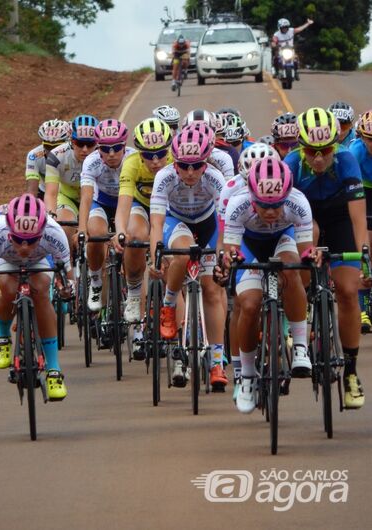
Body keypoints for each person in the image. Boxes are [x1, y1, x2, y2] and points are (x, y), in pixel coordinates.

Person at [285, 107, 367, 409]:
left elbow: (358, 218)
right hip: (305, 220)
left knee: (347, 291)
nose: (318, 158)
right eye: (310, 151)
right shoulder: (291, 164)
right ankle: (303, 309)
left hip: (339, 219)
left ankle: (350, 372)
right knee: (311, 238)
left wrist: (365, 256)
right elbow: (283, 217)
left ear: (336, 144)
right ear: (300, 147)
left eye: (325, 150)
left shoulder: (346, 159)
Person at [222, 158, 313, 413]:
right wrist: (229, 261)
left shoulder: (298, 202)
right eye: (263, 205)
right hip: (249, 246)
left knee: (293, 271)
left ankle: (300, 348)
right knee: (249, 305)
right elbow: (230, 252)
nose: (271, 212)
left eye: (277, 204)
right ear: (251, 196)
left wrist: (312, 257)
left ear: (287, 195)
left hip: (282, 239)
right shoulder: (238, 204)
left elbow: (306, 252)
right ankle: (248, 377)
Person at [150, 127, 228, 389]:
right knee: (182, 255)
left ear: (206, 163)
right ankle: (169, 305)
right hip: (177, 222)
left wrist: (221, 257)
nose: (191, 172)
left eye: (197, 166)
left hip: (208, 224)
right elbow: (157, 223)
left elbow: (224, 223)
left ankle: (217, 361)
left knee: (212, 289)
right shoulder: (164, 177)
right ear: (175, 162)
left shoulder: (216, 178)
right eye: (184, 166)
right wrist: (156, 254)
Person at [0, 194, 73, 400]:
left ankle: (53, 370)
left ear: (42, 232)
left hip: (40, 261)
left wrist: (67, 288)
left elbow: (66, 274)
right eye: (18, 240)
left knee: (41, 290)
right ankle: (2, 336)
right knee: (6, 286)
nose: (24, 247)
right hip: (7, 261)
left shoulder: (54, 233)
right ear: (10, 231)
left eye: (31, 241)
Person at [113, 117, 173, 326]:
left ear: (169, 149)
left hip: (167, 207)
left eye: (161, 154)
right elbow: (123, 205)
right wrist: (121, 231)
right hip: (141, 206)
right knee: (136, 235)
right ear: (140, 153)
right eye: (149, 155)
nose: (155, 160)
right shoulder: (131, 164)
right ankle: (134, 292)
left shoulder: (176, 161)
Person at [77, 119, 135, 312]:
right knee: (94, 234)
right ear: (98, 148)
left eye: (117, 147)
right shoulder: (91, 161)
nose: (111, 154)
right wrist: (82, 229)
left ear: (124, 146)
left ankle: (132, 285)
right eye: (105, 148)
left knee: (132, 236)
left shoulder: (133, 159)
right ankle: (95, 282)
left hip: (127, 203)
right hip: (101, 202)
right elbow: (86, 197)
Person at [44, 114, 98, 252]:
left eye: (90, 144)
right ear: (71, 140)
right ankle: (68, 266)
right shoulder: (57, 156)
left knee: (97, 234)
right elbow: (50, 193)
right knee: (64, 228)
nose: (85, 149)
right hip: (68, 198)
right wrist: (51, 216)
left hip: (95, 199)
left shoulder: (103, 156)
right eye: (80, 143)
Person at [349, 110, 372, 332]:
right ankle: (363, 308)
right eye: (370, 140)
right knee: (366, 248)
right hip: (364, 191)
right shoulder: (355, 153)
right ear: (362, 137)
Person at [26, 119, 71, 199]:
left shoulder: (75, 154)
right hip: (45, 192)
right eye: (47, 146)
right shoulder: (34, 156)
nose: (52, 151)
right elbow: (32, 191)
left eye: (56, 147)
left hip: (69, 195)